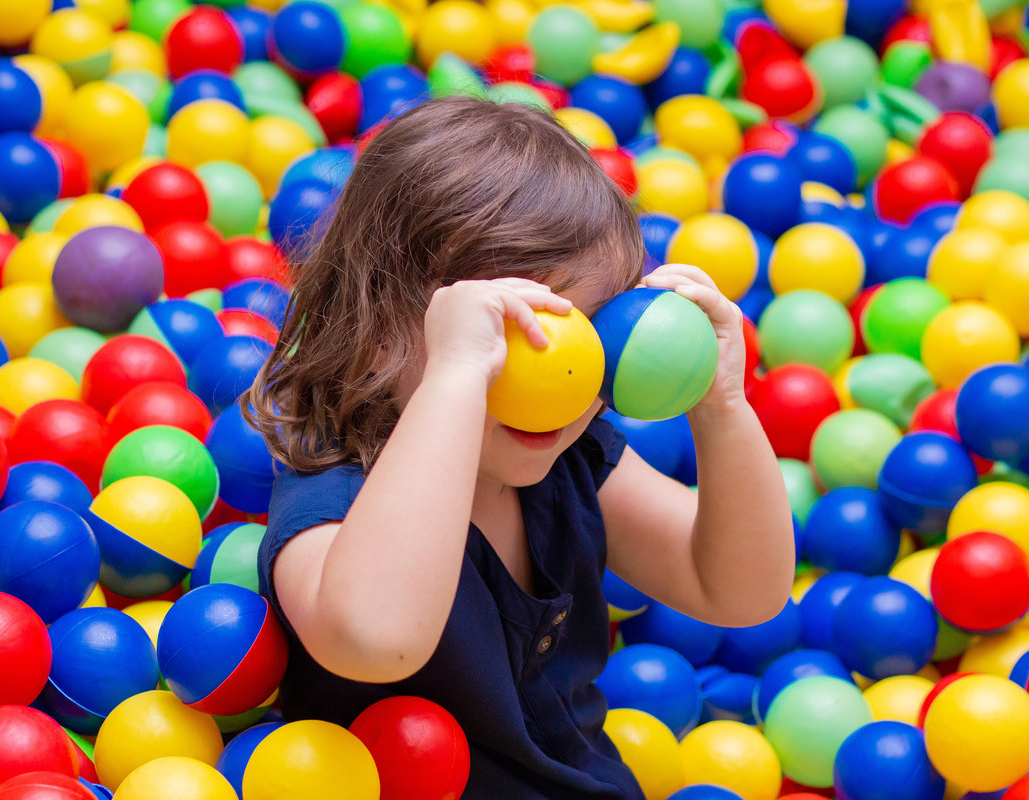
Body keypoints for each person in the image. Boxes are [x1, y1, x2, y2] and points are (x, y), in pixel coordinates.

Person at [246, 96, 794, 799]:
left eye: (586, 335)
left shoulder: (574, 461)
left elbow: (739, 590)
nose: (559, 384)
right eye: (509, 337)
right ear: (378, 331)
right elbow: (377, 639)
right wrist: (457, 378)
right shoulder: (332, 493)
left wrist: (723, 408)